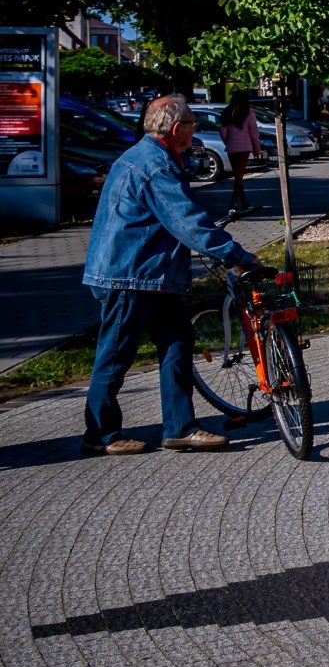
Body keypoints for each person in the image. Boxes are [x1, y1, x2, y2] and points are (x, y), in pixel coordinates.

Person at [80, 96, 262, 455]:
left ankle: (180, 428)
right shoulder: (154, 165)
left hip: (150, 276)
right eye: (193, 124)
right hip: (130, 277)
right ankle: (100, 435)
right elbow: (187, 223)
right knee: (115, 356)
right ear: (177, 128)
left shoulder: (146, 157)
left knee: (178, 346)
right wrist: (236, 256)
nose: (197, 130)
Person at [218, 89, 259, 218]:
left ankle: (243, 200)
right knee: (238, 176)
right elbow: (254, 133)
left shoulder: (227, 112)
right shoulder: (249, 113)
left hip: (231, 147)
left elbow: (223, 131)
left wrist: (227, 142)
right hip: (245, 147)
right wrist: (257, 148)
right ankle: (233, 202)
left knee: (237, 175)